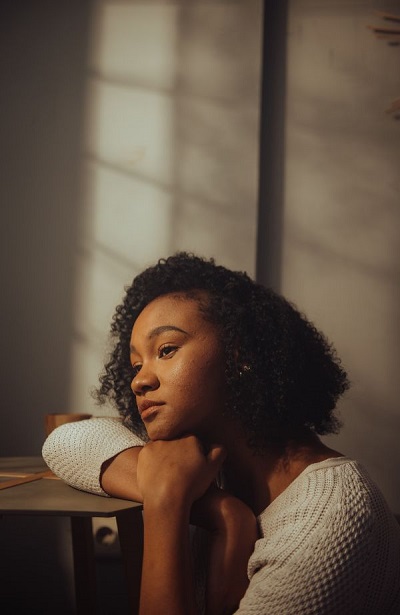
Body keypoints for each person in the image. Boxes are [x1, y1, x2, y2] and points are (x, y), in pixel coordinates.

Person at [42, 252, 400, 615]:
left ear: (238, 354)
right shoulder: (212, 474)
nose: (139, 380)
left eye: (166, 350)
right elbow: (65, 442)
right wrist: (225, 512)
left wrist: (166, 502)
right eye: (136, 365)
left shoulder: (328, 520)